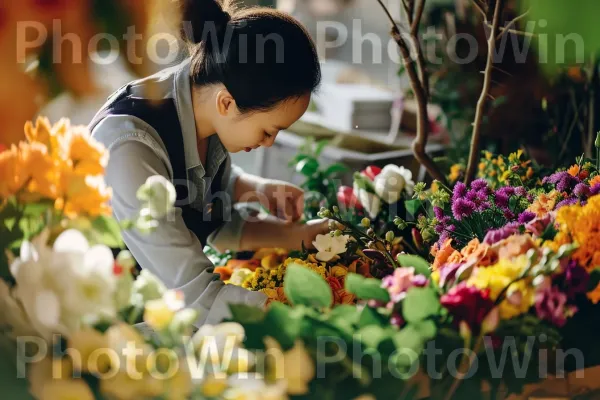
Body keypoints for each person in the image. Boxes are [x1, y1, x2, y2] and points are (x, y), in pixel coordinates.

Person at [91, 0, 329, 325]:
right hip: (109, 334)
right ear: (227, 103)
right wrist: (309, 322)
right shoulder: (131, 148)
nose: (268, 143)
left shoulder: (202, 101)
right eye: (269, 130)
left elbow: (211, 217)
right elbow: (195, 295)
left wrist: (274, 212)